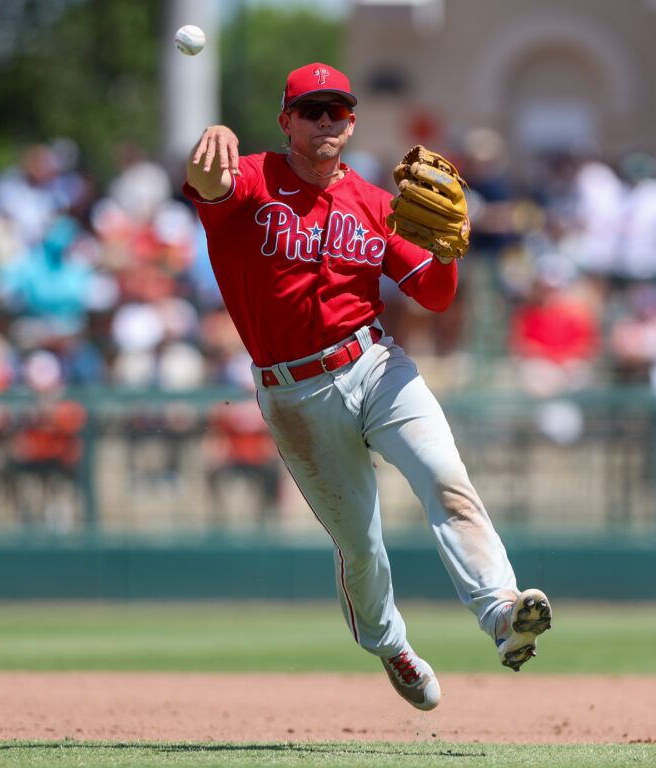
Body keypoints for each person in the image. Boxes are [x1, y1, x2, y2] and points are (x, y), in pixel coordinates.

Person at [182, 62, 551, 711]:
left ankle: (501, 612)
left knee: (444, 475)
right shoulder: (252, 179)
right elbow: (207, 183)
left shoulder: (379, 205)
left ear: (352, 122)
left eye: (339, 110)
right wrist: (210, 144)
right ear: (286, 121)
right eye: (312, 109)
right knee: (361, 545)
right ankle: (392, 646)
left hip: (375, 364)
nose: (327, 120)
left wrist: (445, 251)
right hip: (296, 395)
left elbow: (435, 298)